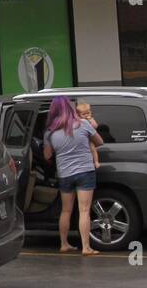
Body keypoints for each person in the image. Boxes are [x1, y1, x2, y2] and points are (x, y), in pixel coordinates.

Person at [43, 96, 103, 255]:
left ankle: (64, 244)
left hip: (65, 174)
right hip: (85, 171)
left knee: (66, 210)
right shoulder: (83, 124)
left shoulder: (50, 132)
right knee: (84, 210)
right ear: (70, 109)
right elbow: (99, 142)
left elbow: (47, 155)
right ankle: (86, 247)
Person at [75, 100, 100, 168]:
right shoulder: (78, 121)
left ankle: (96, 161)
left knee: (93, 149)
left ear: (91, 113)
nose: (86, 115)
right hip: (82, 139)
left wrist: (90, 119)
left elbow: (95, 126)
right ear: (79, 115)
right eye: (84, 114)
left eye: (88, 113)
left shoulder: (91, 119)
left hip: (90, 139)